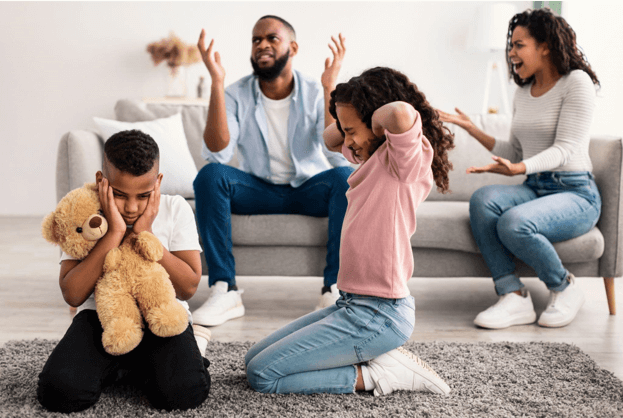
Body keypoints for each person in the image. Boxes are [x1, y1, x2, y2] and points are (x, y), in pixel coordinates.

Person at [244, 67, 454, 396]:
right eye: (348, 132)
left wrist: (367, 113)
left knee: (263, 375)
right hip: (352, 304)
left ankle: (379, 376)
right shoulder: (373, 157)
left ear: (376, 124)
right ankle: (375, 358)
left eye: (354, 131)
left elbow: (398, 112)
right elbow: (329, 137)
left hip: (380, 313)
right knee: (252, 359)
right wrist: (349, 116)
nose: (349, 140)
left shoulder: (404, 161)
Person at [438, 8, 601, 329]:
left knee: (514, 222)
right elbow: (513, 151)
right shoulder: (523, 92)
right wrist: (472, 128)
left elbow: (565, 148)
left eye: (518, 44)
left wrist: (519, 168)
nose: (511, 52)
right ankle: (513, 294)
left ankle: (564, 287)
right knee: (484, 199)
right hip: (536, 187)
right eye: (510, 45)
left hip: (575, 192)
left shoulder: (576, 83)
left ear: (546, 45)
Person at [192, 15, 354, 327]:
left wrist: (330, 88)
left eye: (271, 38)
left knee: (345, 178)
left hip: (309, 190)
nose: (262, 45)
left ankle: (333, 290)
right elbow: (217, 152)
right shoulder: (235, 93)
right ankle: (224, 289)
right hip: (259, 190)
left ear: (292, 47)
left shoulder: (314, 89)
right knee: (210, 176)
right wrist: (216, 82)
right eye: (256, 40)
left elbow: (338, 156)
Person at [37, 130, 210, 413]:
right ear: (100, 181)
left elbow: (188, 287)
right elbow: (73, 294)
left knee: (182, 394)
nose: (131, 208)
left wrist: (146, 233)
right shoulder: (84, 211)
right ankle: (133, 365)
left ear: (158, 182)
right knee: (59, 393)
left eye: (143, 195)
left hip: (161, 314)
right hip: (102, 316)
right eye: (119, 195)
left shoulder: (175, 208)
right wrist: (114, 233)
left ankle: (185, 350)